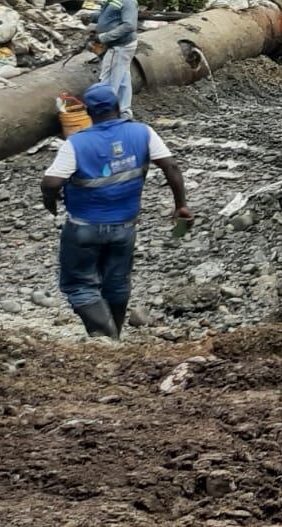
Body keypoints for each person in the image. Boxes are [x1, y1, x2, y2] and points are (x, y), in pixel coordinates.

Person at [40, 82, 193, 339]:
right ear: (119, 107)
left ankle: (106, 336)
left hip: (84, 228)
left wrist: (50, 201)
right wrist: (181, 205)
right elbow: (171, 167)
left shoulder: (77, 143)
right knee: (117, 283)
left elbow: (51, 183)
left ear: (89, 113)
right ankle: (114, 338)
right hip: (125, 227)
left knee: (79, 284)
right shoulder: (143, 132)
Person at [90, 0, 139, 117]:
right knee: (123, 80)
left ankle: (106, 115)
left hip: (119, 46)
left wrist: (103, 37)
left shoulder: (128, 0)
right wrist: (91, 17)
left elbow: (129, 25)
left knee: (108, 81)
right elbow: (107, 14)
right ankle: (125, 112)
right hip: (120, 45)